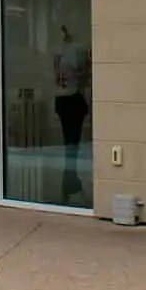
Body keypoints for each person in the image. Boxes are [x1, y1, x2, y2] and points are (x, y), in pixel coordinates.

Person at [53, 24, 91, 202]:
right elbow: (82, 75)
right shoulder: (75, 50)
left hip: (64, 99)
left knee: (70, 142)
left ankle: (69, 178)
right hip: (72, 99)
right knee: (72, 142)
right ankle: (69, 178)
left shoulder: (59, 51)